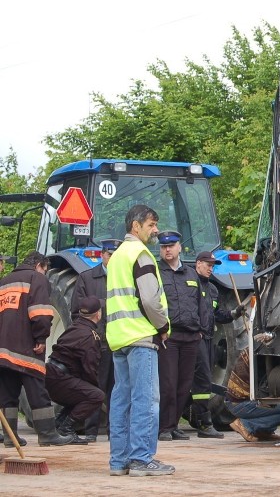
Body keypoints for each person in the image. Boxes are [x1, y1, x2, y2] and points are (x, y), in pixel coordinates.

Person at [106, 204, 174, 477]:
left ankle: (118, 461)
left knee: (121, 400)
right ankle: (142, 460)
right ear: (136, 226)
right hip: (140, 336)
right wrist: (163, 326)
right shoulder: (141, 254)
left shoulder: (118, 255)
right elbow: (148, 298)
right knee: (146, 399)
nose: (155, 230)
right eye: (151, 225)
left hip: (118, 338)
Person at [0, 251, 73, 447]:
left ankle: (9, 437)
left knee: (8, 394)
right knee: (38, 392)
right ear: (39, 266)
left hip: (4, 349)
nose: (45, 273)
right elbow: (40, 313)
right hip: (26, 348)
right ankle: (48, 434)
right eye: (45, 269)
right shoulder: (36, 279)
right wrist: (41, 337)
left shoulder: (5, 281)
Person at [188, 251, 244, 438]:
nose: (211, 268)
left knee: (204, 381)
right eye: (207, 264)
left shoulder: (212, 289)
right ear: (197, 264)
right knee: (199, 379)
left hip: (209, 338)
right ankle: (200, 423)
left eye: (213, 265)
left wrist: (234, 313)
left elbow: (217, 315)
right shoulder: (189, 284)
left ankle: (201, 421)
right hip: (194, 338)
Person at [72, 238, 122, 442]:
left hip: (119, 342)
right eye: (110, 254)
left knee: (117, 389)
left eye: (116, 255)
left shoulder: (125, 277)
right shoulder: (87, 278)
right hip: (96, 342)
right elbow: (77, 310)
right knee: (95, 386)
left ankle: (115, 431)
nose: (113, 258)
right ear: (102, 254)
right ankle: (91, 431)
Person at [156, 230, 201, 442]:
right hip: (169, 336)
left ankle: (173, 426)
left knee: (184, 384)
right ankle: (164, 427)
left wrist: (201, 329)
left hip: (191, 336)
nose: (167, 249)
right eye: (164, 246)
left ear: (179, 247)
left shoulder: (191, 274)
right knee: (168, 384)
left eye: (171, 245)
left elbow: (201, 304)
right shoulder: (156, 272)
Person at [45, 295, 105, 445]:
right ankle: (66, 429)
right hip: (60, 378)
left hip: (50, 374)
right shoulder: (90, 336)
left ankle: (58, 425)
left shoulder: (74, 327)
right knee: (95, 396)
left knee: (81, 391)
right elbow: (90, 367)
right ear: (98, 314)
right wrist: (94, 387)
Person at [225, 347, 280, 442]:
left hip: (236, 400)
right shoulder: (262, 354)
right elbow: (265, 389)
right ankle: (246, 425)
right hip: (242, 403)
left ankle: (262, 432)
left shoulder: (258, 346)